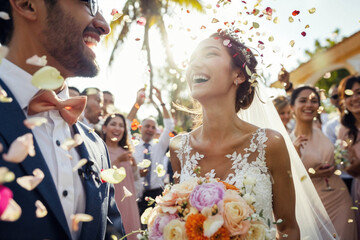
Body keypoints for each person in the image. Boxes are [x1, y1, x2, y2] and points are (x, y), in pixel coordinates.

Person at [170, 31, 338, 239]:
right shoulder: (178, 148)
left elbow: (288, 228)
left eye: (210, 54)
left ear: (239, 75)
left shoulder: (269, 144)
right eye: (191, 59)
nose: (194, 65)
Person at [0, 0, 126, 239]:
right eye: (90, 3)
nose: (104, 25)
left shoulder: (95, 146)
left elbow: (112, 231)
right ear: (27, 4)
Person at [289, 86, 357, 239]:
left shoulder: (323, 132)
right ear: (292, 106)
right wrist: (310, 173)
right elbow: (285, 180)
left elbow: (339, 162)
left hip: (340, 200)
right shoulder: (288, 141)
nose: (309, 104)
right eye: (303, 100)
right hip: (313, 206)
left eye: (314, 101)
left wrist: (344, 158)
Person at [126, 87, 174, 216]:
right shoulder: (132, 144)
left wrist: (161, 101)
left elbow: (170, 126)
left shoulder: (160, 146)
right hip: (135, 192)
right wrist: (138, 104)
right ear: (140, 128)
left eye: (153, 127)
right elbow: (125, 125)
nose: (150, 129)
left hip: (156, 193)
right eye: (147, 126)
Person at [102, 114, 140, 240]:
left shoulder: (126, 152)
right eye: (113, 124)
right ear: (104, 128)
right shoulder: (101, 150)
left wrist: (134, 166)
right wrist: (117, 161)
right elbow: (101, 176)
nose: (117, 128)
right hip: (112, 204)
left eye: (121, 125)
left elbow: (134, 179)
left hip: (129, 204)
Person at [337, 76, 360, 232]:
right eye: (349, 95)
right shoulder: (344, 131)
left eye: (359, 92)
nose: (355, 98)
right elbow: (348, 169)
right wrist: (348, 162)